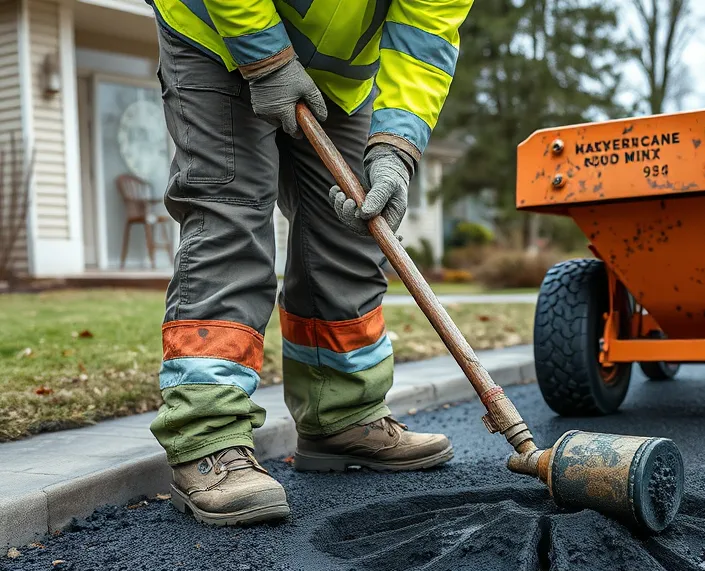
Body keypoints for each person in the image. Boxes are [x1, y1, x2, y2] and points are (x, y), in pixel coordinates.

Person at [145, 0, 472, 526]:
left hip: (341, 77)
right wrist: (267, 58)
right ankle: (207, 435)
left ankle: (342, 415)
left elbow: (426, 33)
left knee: (351, 229)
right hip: (216, 35)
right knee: (232, 217)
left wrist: (395, 147)